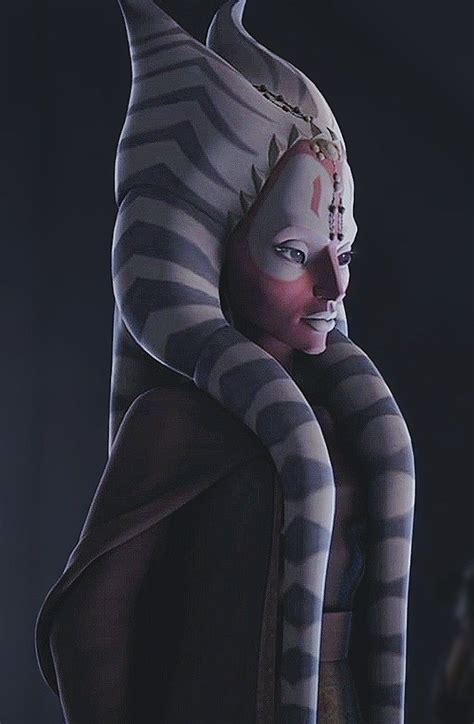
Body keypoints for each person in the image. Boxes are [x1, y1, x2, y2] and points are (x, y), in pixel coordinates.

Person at [35, 1, 415, 722]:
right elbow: (89, 629)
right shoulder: (177, 424)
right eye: (294, 252)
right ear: (209, 247)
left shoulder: (339, 413)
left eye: (342, 253)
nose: (335, 286)